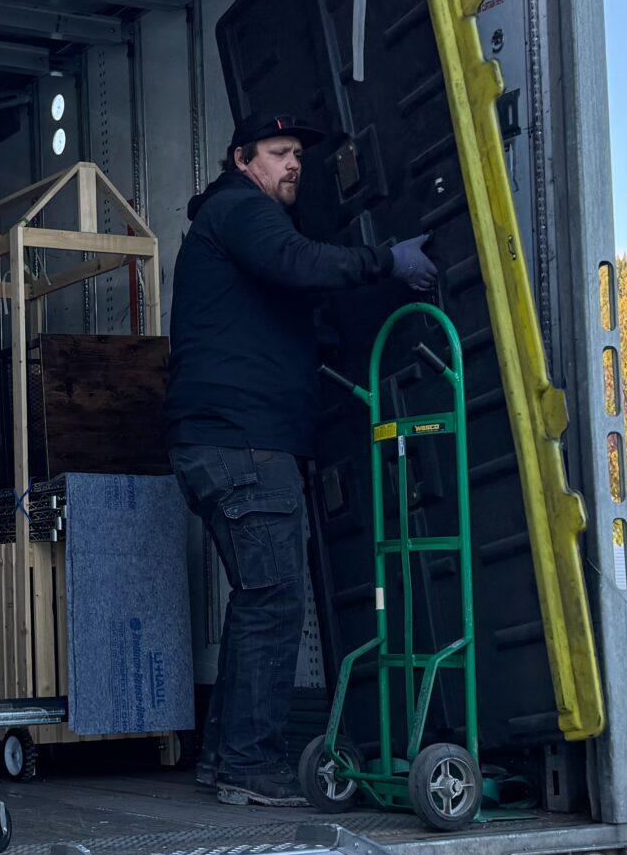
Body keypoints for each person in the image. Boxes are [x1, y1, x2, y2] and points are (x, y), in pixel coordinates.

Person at [165, 113, 436, 805]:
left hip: (225, 439)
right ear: (242, 159)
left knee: (258, 600)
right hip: (244, 444)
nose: (294, 165)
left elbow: (280, 295)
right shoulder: (241, 210)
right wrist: (387, 262)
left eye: (299, 157)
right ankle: (250, 765)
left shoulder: (227, 224)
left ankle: (226, 759)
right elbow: (297, 262)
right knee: (276, 599)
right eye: (281, 153)